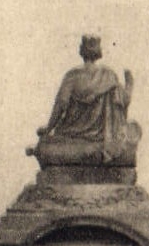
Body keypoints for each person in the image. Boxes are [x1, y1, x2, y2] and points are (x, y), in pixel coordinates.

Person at [30, 35, 141, 165]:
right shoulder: (109, 75)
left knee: (46, 147)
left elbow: (60, 105)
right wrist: (129, 84)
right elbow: (124, 101)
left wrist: (48, 128)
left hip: (73, 135)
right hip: (103, 139)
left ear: (81, 50)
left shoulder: (73, 75)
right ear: (99, 52)